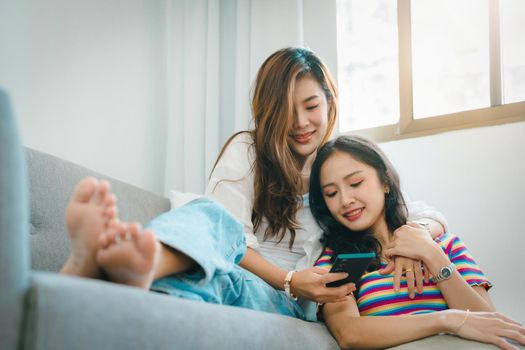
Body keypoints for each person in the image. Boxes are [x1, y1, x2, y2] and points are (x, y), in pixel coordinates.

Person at [60, 47, 447, 321]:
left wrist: (414, 243)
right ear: (267, 110)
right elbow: (225, 236)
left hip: (295, 303)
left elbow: (423, 213)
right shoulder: (249, 150)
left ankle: (113, 269)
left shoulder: (339, 162)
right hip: (258, 279)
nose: (300, 122)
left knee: (222, 269)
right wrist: (290, 279)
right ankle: (115, 275)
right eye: (284, 109)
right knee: (210, 229)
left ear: (330, 101)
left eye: (311, 106)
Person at [308, 135, 525, 349]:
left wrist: (431, 254)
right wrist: (445, 320)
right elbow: (349, 334)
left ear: (384, 181)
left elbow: (488, 322)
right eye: (332, 193)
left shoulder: (445, 244)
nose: (345, 200)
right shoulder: (336, 261)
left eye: (355, 183)